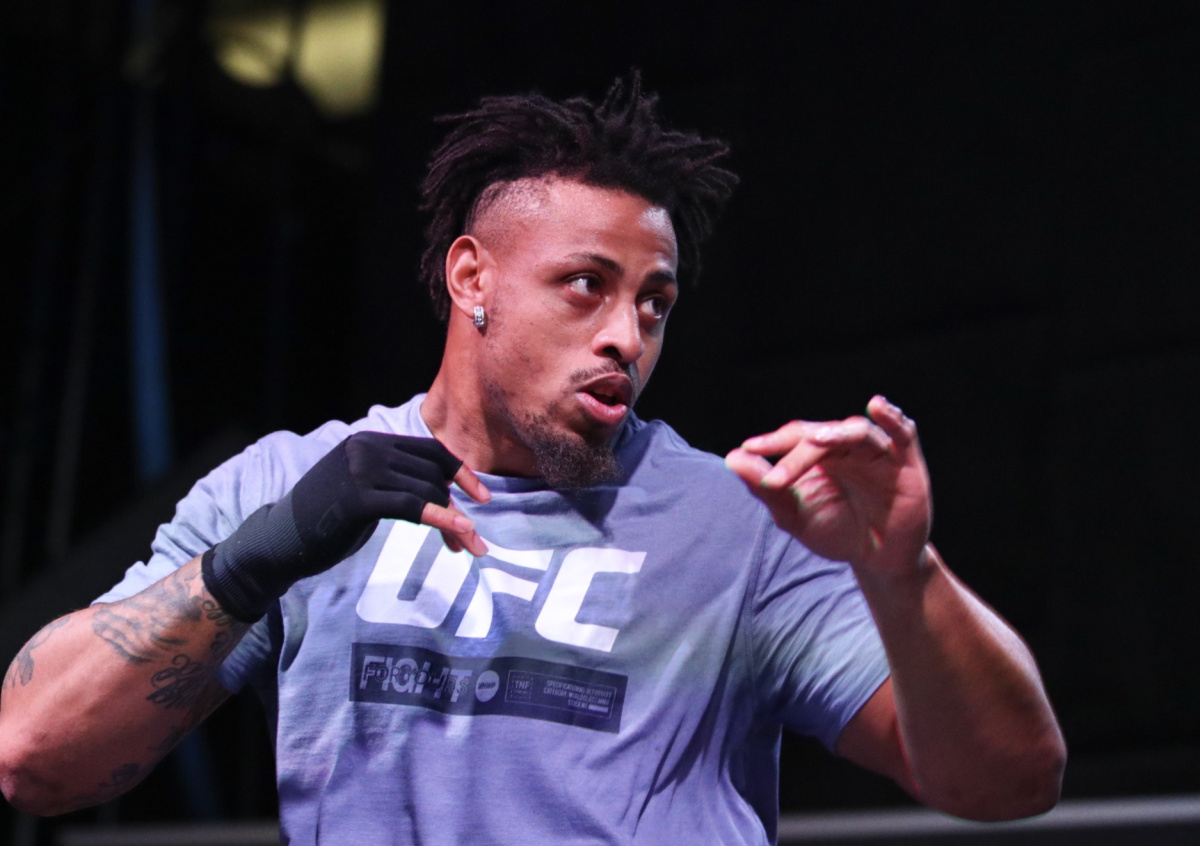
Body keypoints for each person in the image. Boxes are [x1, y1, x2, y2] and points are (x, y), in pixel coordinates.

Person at [0, 75, 1065, 844]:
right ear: (473, 278)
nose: (626, 337)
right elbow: (33, 759)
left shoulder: (741, 524)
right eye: (586, 285)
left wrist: (903, 572)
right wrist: (254, 560)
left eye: (654, 303)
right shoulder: (284, 488)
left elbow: (1010, 783)